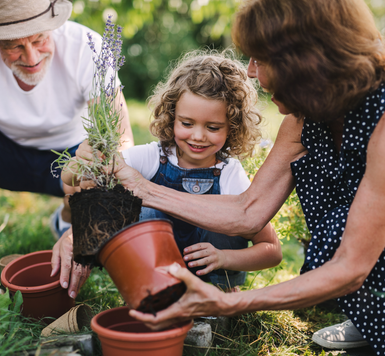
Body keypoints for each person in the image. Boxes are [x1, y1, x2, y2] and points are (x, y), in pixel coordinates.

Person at [101, 0, 385, 356]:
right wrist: (142, 188)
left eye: (260, 60)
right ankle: (377, 323)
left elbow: (350, 266)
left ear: (306, 61)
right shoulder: (311, 110)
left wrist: (230, 302)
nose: (249, 72)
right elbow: (249, 211)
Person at [0, 0, 133, 288]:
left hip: (70, 162)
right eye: (13, 46)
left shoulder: (86, 46)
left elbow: (121, 145)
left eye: (39, 39)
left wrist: (81, 229)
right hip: (3, 156)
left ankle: (67, 218)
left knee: (98, 157)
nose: (31, 57)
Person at [62, 51, 282, 291]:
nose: (198, 136)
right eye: (187, 123)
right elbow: (72, 177)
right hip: (157, 278)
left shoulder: (230, 173)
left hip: (211, 280)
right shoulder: (152, 157)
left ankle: (223, 292)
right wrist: (81, 160)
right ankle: (150, 289)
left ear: (233, 127)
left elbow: (272, 251)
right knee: (142, 210)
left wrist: (224, 258)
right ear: (172, 117)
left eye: (213, 127)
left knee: (229, 217)